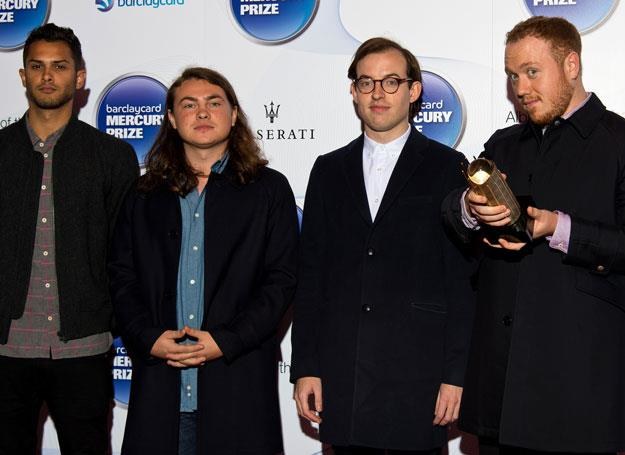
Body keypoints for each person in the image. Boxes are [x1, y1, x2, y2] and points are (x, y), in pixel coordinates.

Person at [442, 16, 625, 454]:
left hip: (577, 391)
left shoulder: (619, 142)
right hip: (501, 390)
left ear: (571, 65)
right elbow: (451, 217)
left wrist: (559, 229)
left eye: (531, 72)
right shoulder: (503, 144)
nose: (520, 88)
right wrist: (470, 209)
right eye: (512, 75)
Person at [290, 37, 475, 454]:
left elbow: (462, 281)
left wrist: (456, 374)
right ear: (353, 91)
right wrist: (306, 367)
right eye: (367, 82)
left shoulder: (449, 167)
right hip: (344, 375)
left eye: (391, 82)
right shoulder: (327, 170)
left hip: (419, 378)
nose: (378, 93)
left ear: (413, 91)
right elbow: (312, 276)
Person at [108, 67, 299, 455]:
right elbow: (121, 277)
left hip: (237, 384)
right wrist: (149, 338)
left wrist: (226, 341)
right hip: (160, 388)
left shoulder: (269, 189)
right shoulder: (144, 194)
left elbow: (281, 281)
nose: (203, 113)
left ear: (233, 115)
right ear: (172, 119)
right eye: (189, 105)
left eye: (214, 103)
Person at [0, 23, 139, 454]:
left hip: (84, 347)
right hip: (5, 351)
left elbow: (126, 250)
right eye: (37, 66)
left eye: (59, 66)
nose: (47, 76)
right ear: (22, 75)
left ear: (79, 77)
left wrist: (108, 320)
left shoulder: (112, 155)